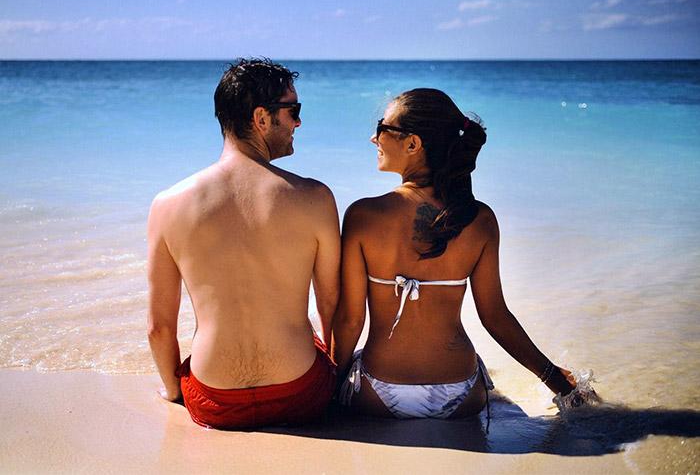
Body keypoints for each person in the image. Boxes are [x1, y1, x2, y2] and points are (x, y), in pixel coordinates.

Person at [332, 88, 577, 419]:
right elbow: (495, 317)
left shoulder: (364, 215)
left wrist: (329, 390)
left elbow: (350, 320)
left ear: (412, 144)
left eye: (382, 128)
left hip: (380, 390)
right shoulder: (479, 218)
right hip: (460, 393)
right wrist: (555, 379)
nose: (373, 138)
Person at [147, 58, 340, 430]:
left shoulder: (167, 204)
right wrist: (332, 380)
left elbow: (158, 326)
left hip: (214, 399)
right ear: (261, 118)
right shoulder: (314, 197)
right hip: (300, 393)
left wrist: (174, 392)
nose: (298, 122)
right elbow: (331, 305)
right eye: (293, 111)